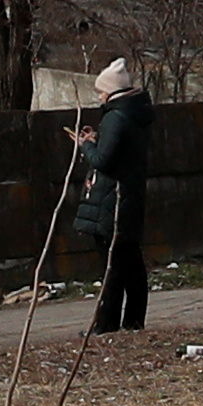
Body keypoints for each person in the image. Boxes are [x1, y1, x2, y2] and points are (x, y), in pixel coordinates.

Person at [76, 52, 153, 335]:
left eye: (101, 92)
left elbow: (104, 162)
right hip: (131, 198)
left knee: (112, 267)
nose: (99, 98)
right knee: (131, 264)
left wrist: (86, 146)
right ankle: (133, 321)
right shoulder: (137, 115)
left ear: (111, 92)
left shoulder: (115, 118)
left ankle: (105, 325)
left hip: (112, 201)